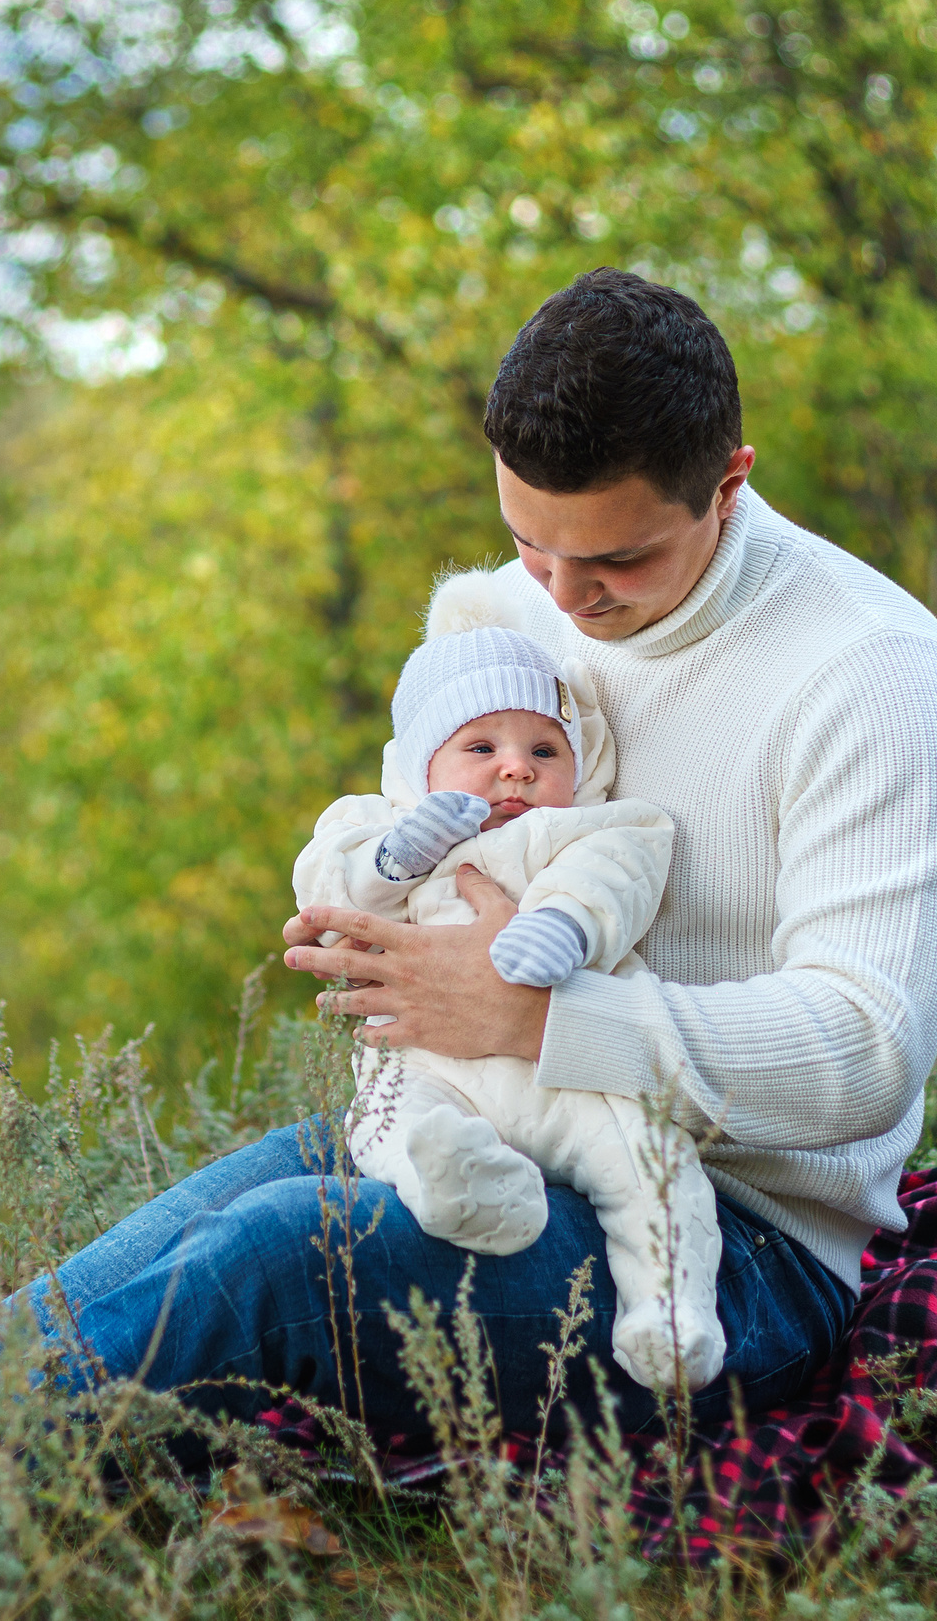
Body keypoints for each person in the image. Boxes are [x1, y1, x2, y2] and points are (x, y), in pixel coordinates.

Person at [0, 267, 937, 1447]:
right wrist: (366, 916)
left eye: (614, 562)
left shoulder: (872, 673)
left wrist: (530, 1013)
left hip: (734, 1249)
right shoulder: (497, 615)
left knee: (279, 1260)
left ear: (728, 483)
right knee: (85, 1296)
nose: (566, 597)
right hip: (465, 1116)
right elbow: (409, 842)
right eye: (530, 542)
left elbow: (868, 1052)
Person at [293, 569, 722, 1396]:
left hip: (574, 1073)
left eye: (543, 751)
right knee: (383, 1129)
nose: (516, 771)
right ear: (421, 764)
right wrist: (399, 856)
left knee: (650, 1161)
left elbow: (619, 873)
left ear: (579, 764)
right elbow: (325, 893)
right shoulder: (372, 829)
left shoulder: (584, 828)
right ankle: (465, 1182)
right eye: (481, 749)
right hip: (428, 1070)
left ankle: (671, 1314)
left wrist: (561, 924)